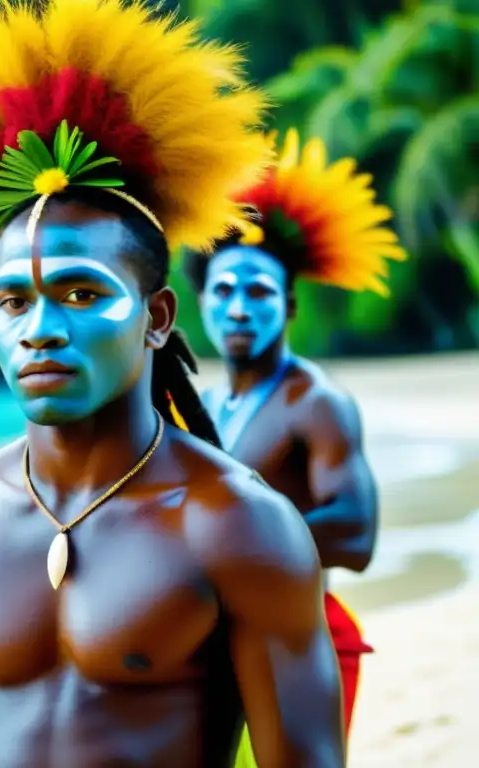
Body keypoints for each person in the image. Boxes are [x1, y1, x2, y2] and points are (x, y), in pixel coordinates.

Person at [0, 0, 345, 765]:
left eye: (81, 294)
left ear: (158, 316)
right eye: (14, 301)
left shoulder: (238, 526)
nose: (40, 328)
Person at [186, 128, 407, 761]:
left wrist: (220, 547)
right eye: (223, 292)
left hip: (297, 635)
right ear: (199, 303)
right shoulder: (212, 407)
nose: (238, 307)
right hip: (219, 639)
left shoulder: (315, 402)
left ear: (288, 303)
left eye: (257, 291)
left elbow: (356, 534)